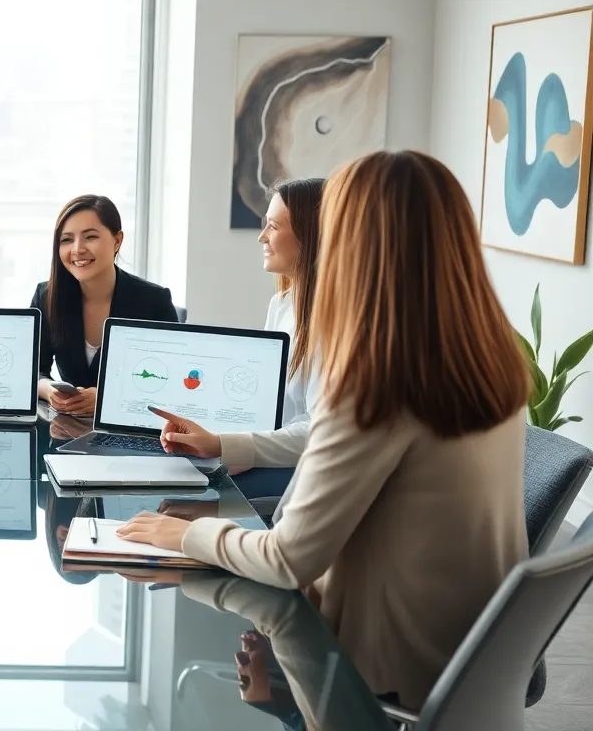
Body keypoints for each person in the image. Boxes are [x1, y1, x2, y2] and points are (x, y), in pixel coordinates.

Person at [112, 151, 529, 710]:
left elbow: (288, 561)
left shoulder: (377, 380)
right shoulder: (485, 358)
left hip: (380, 669)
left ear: (352, 243)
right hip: (472, 657)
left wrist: (179, 539)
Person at [154, 179, 327, 501]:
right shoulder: (283, 304)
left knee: (180, 495)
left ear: (310, 236)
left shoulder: (331, 326)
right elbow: (265, 405)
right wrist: (208, 433)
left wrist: (228, 445)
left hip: (300, 471)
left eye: (273, 227)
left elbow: (320, 431)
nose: (262, 236)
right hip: (272, 453)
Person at [30, 195, 177, 416]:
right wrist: (48, 390)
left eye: (90, 237)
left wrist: (107, 398)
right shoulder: (47, 296)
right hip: (67, 428)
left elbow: (171, 381)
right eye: (67, 240)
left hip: (129, 429)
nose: (77, 249)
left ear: (117, 241)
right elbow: (31, 369)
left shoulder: (154, 301)